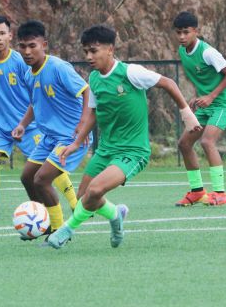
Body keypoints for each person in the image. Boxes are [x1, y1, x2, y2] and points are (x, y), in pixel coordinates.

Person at [47, 25, 201, 250]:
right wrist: (76, 143)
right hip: (106, 150)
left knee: (96, 190)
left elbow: (169, 83)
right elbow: (92, 113)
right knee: (83, 198)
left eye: (94, 51)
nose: (89, 57)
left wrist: (187, 115)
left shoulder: (131, 73)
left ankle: (66, 230)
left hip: (133, 151)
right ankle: (115, 215)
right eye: (86, 52)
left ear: (110, 49)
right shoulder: (95, 79)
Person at [11, 20, 91, 239]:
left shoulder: (58, 67)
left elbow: (87, 91)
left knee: (42, 179)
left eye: (32, 46)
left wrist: (83, 124)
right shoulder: (28, 74)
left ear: (44, 44)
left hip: (70, 137)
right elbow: (35, 103)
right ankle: (40, 221)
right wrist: (22, 125)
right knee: (27, 177)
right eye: (22, 46)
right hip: (49, 137)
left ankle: (58, 229)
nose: (27, 51)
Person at [0, 15, 42, 220]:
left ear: (10, 36)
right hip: (0, 124)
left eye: (2, 33)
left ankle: (75, 204)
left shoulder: (21, 61)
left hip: (29, 125)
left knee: (46, 165)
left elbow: (36, 90)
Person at [173, 11, 226, 207]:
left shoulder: (208, 52)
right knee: (184, 144)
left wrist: (210, 96)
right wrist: (197, 96)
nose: (182, 36)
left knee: (207, 141)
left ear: (195, 31)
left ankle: (220, 193)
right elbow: (201, 79)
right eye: (179, 33)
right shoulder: (182, 52)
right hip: (207, 104)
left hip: (223, 103)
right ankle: (197, 191)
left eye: (186, 32)